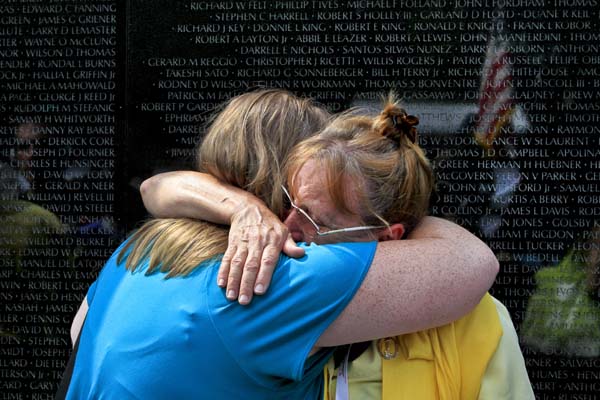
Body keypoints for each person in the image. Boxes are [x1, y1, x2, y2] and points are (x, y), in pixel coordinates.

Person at [65, 89, 498, 399]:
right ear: (284, 174)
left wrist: (235, 204)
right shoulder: (276, 277)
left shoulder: (137, 250)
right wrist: (401, 210)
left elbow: (77, 331)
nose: (296, 221)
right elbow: (474, 262)